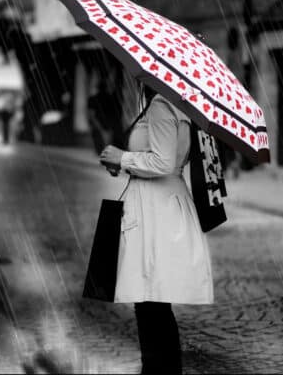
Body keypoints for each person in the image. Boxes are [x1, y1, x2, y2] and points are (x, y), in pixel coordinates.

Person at [99, 83, 214, 374]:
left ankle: (158, 370)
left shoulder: (162, 104)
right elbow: (166, 157)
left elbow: (162, 162)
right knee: (155, 303)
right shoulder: (179, 104)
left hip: (155, 207)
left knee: (150, 303)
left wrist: (122, 158)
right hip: (165, 202)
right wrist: (126, 164)